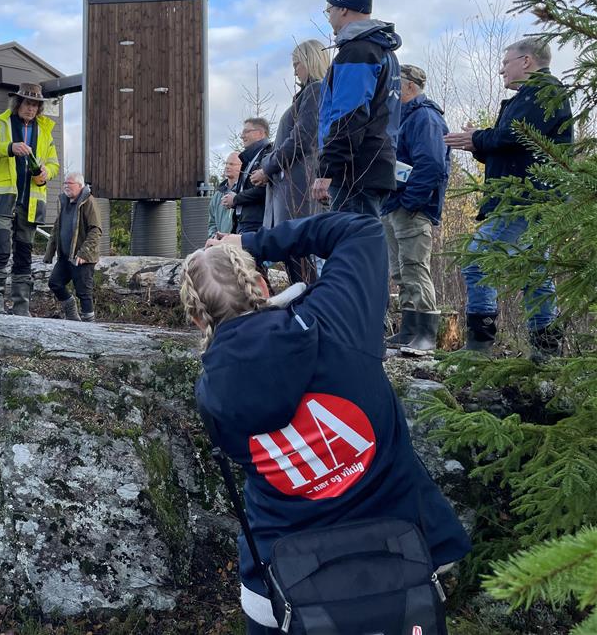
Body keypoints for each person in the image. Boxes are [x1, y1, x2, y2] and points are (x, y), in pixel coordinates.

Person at [182, 212, 470, 634]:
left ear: (197, 320)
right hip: (401, 555)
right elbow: (362, 230)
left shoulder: (211, 394)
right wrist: (252, 241)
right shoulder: (336, 319)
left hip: (285, 584)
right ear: (262, 286)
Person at [444, 38, 573, 360]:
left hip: (527, 199)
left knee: (478, 258)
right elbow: (512, 149)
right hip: (527, 196)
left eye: (506, 62)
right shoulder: (528, 97)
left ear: (526, 62)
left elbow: (516, 136)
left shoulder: (544, 92)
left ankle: (480, 343)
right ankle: (546, 352)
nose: (502, 69)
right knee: (535, 272)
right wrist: (479, 145)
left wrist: (477, 138)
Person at [313, 0, 401, 216]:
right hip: (375, 166)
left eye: (329, 11)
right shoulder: (383, 51)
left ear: (343, 9)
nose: (329, 18)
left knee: (352, 249)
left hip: (354, 172)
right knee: (365, 246)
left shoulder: (358, 52)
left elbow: (349, 116)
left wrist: (327, 170)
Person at [0, 82, 60, 316]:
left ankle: (22, 308)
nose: (31, 109)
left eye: (36, 105)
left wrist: (45, 173)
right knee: (0, 246)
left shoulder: (44, 131)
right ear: (18, 103)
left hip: (31, 199)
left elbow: (54, 164)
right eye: (28, 103)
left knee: (24, 251)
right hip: (1, 197)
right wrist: (9, 147)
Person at [381, 65, 450, 353]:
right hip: (393, 204)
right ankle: (408, 329)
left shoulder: (425, 117)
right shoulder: (399, 119)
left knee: (415, 267)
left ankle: (426, 333)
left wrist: (412, 202)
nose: (391, 93)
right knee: (399, 270)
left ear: (410, 86)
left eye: (396, 86)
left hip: (412, 207)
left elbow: (432, 164)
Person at [254, 39, 329, 284]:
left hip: (300, 189)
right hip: (294, 188)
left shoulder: (316, 90)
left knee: (301, 256)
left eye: (298, 64)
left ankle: (311, 311)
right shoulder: (307, 93)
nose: (295, 70)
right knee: (294, 257)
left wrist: (268, 167)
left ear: (311, 62)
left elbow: (302, 139)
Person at [44, 173, 102, 322]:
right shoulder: (63, 202)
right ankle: (71, 313)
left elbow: (96, 230)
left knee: (84, 292)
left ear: (80, 185)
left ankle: (90, 327)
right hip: (64, 256)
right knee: (55, 283)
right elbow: (57, 228)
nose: (66, 186)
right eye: (65, 183)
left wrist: (84, 252)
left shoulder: (88, 202)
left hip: (82, 257)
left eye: (70, 183)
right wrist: (49, 253)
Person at [222, 118, 271, 235]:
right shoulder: (249, 159)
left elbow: (263, 191)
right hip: (244, 225)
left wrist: (236, 199)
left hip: (257, 226)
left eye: (246, 132)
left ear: (260, 133)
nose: (242, 136)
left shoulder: (267, 155)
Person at [208, 152, 240, 238]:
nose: (227, 166)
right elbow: (212, 223)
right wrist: (214, 237)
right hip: (219, 246)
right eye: (226, 163)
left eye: (232, 164)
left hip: (237, 245)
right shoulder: (217, 195)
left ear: (241, 167)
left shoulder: (243, 193)